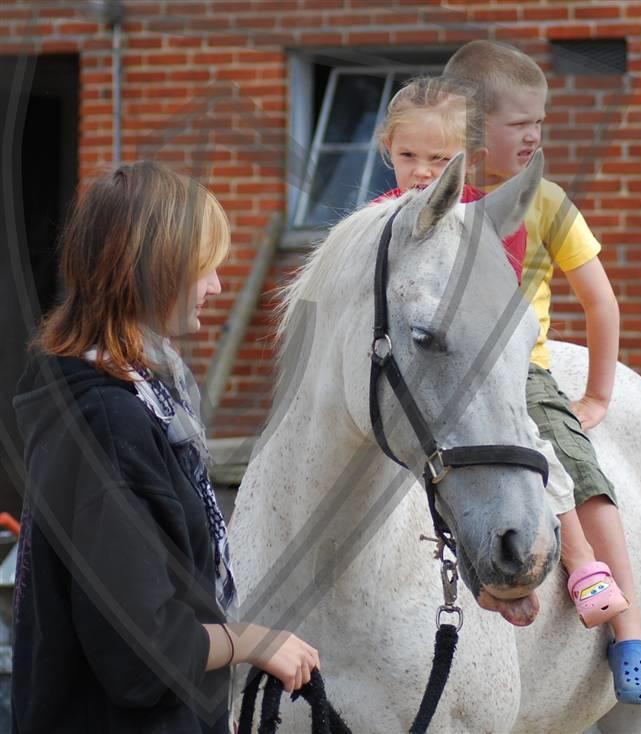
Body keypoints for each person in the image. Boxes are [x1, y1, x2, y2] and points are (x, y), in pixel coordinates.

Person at [12, 161, 320, 734]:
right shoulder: (107, 424)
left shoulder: (142, 398)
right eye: (205, 268)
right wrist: (252, 642)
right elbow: (139, 655)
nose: (217, 286)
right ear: (152, 271)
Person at [444, 40, 641, 704]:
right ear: (474, 129)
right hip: (449, 375)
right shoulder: (435, 198)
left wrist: (598, 392)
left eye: (541, 121)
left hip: (523, 373)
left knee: (579, 467)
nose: (537, 135)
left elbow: (600, 301)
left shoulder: (546, 203)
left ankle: (629, 628)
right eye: (523, 122)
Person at [373, 75, 527, 284]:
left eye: (439, 159)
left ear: (473, 159)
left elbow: (502, 294)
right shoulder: (375, 219)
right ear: (390, 148)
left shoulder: (496, 220)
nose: (421, 171)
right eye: (407, 155)